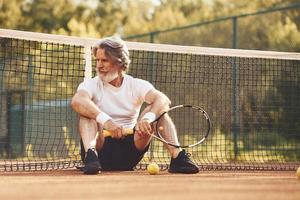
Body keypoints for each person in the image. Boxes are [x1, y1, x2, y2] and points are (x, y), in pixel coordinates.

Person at [71, 36, 199, 174]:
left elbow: (163, 100)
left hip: (130, 152)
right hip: (99, 150)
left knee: (158, 112)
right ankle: (91, 155)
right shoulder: (91, 84)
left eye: (104, 60)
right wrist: (107, 122)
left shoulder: (136, 84)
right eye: (98, 60)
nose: (99, 65)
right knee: (86, 114)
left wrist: (147, 119)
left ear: (119, 62)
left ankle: (178, 158)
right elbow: (77, 101)